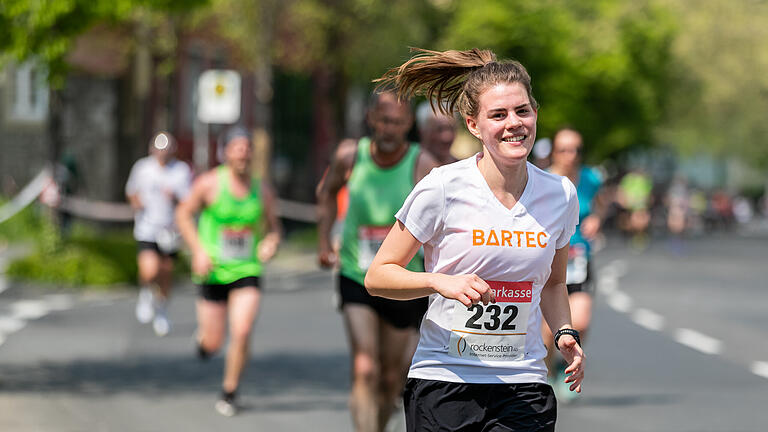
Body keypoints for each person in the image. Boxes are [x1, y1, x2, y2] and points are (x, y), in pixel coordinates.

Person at [365, 48, 584, 432]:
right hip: (446, 382)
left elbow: (552, 282)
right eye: (498, 115)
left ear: (535, 113)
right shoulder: (444, 187)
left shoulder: (560, 194)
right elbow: (379, 275)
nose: (513, 124)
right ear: (473, 124)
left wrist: (564, 332)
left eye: (522, 111)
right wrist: (438, 281)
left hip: (523, 384)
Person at [316, 91, 438, 432]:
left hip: (403, 282)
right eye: (384, 121)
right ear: (372, 119)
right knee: (365, 367)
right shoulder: (350, 156)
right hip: (357, 273)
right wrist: (324, 240)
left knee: (391, 378)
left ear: (408, 125)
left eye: (398, 123)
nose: (389, 129)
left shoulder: (422, 163)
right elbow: (326, 193)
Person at [176, 126, 281, 417]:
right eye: (237, 149)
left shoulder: (263, 190)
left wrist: (270, 243)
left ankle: (230, 391)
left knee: (243, 329)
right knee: (212, 341)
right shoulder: (209, 184)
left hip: (247, 268)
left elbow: (274, 229)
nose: (243, 155)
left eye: (247, 150)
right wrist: (197, 250)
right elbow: (183, 214)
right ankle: (204, 342)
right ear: (225, 154)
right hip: (213, 269)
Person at [542, 127, 605, 402]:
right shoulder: (542, 179)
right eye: (565, 150)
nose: (572, 155)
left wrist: (597, 218)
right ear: (554, 152)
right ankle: (547, 377)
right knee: (545, 336)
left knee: (580, 321)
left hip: (579, 257)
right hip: (549, 260)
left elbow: (601, 203)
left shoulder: (590, 178)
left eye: (577, 150)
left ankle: (564, 362)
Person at [125, 132, 191, 336]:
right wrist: (137, 203)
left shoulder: (181, 171)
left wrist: (175, 198)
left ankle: (161, 310)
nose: (162, 153)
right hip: (147, 228)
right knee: (149, 270)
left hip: (170, 230)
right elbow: (131, 191)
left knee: (165, 273)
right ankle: (146, 292)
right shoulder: (143, 168)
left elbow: (188, 201)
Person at [416, 100, 458, 165]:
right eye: (439, 129)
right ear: (422, 131)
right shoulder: (408, 166)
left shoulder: (463, 169)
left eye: (452, 129)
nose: (447, 137)